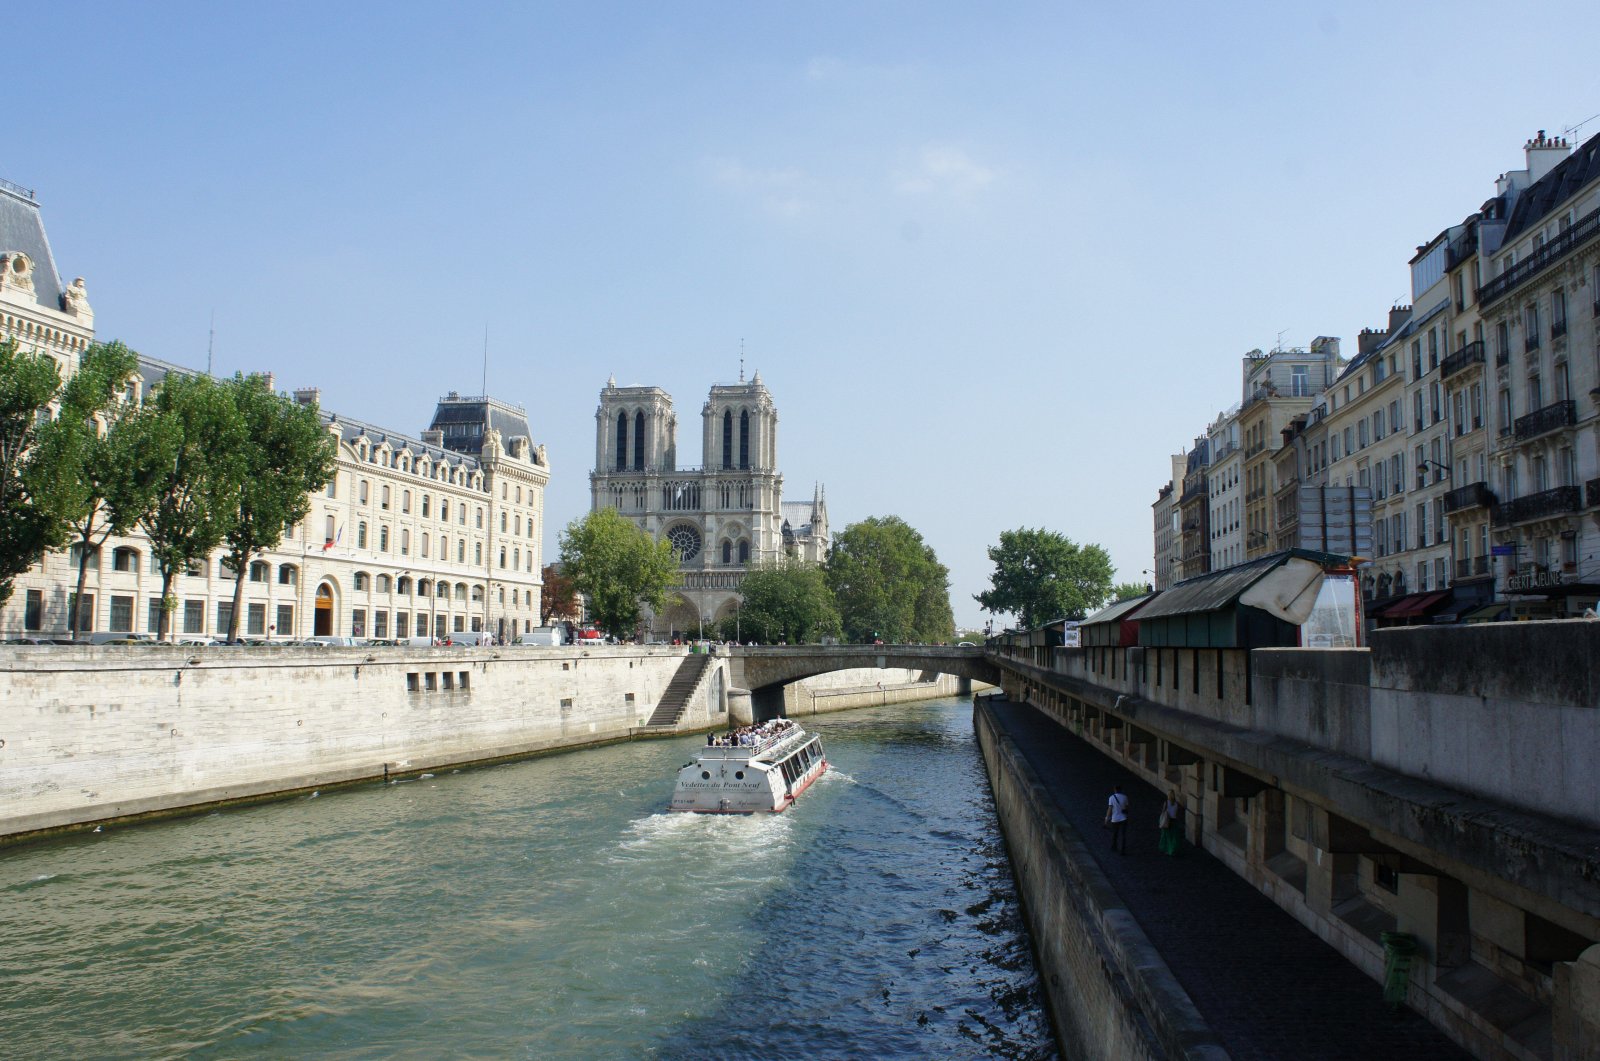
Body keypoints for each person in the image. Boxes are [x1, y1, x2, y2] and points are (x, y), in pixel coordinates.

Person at [1105, 784, 1130, 854]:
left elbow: (1110, 809)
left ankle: (1114, 847)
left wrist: (1107, 818)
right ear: (1121, 790)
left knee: (1115, 834)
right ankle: (1122, 849)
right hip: (1124, 818)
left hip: (1115, 819)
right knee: (1123, 835)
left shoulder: (1111, 798)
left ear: (1115, 790)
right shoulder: (1125, 797)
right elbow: (1127, 808)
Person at [1158, 789, 1182, 856]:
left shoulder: (1166, 802)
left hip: (1167, 821)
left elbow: (1163, 811)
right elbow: (1176, 814)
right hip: (1174, 821)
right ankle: (1172, 849)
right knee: (1173, 837)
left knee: (1167, 836)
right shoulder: (1176, 804)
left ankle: (1169, 850)